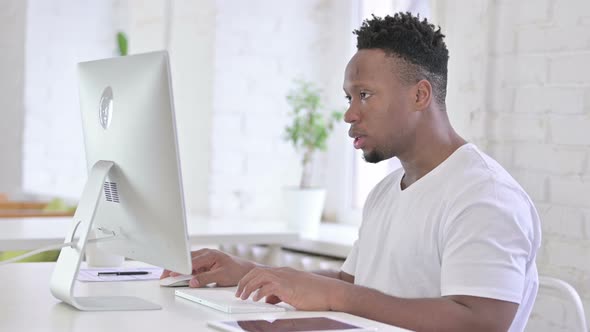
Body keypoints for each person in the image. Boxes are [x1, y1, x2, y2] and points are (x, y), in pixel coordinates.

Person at [162, 12, 541, 332]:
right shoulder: (387, 191)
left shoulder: (483, 196)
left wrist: (338, 296)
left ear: (420, 95)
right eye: (349, 97)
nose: (349, 114)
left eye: (365, 94)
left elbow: (483, 322)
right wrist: (248, 272)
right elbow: (355, 286)